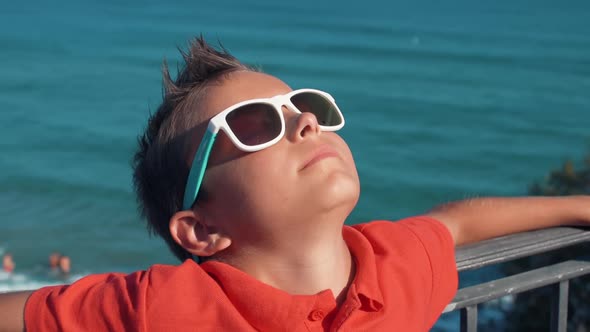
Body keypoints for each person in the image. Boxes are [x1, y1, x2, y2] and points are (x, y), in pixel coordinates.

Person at [0, 36, 589, 331]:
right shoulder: (166, 306)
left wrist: (581, 205)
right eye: (255, 124)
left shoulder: (394, 264)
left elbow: (458, 222)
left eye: (304, 106)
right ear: (202, 229)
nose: (305, 122)